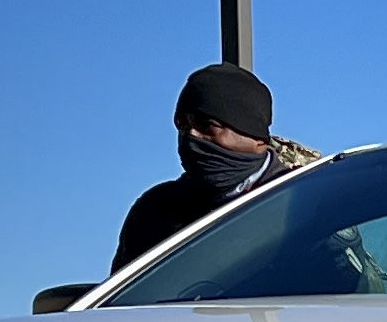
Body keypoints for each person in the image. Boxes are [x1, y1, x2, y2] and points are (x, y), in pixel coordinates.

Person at [112, 63, 286, 272]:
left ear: (256, 138)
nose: (190, 136)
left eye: (206, 126)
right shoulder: (155, 210)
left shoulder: (299, 203)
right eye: (183, 125)